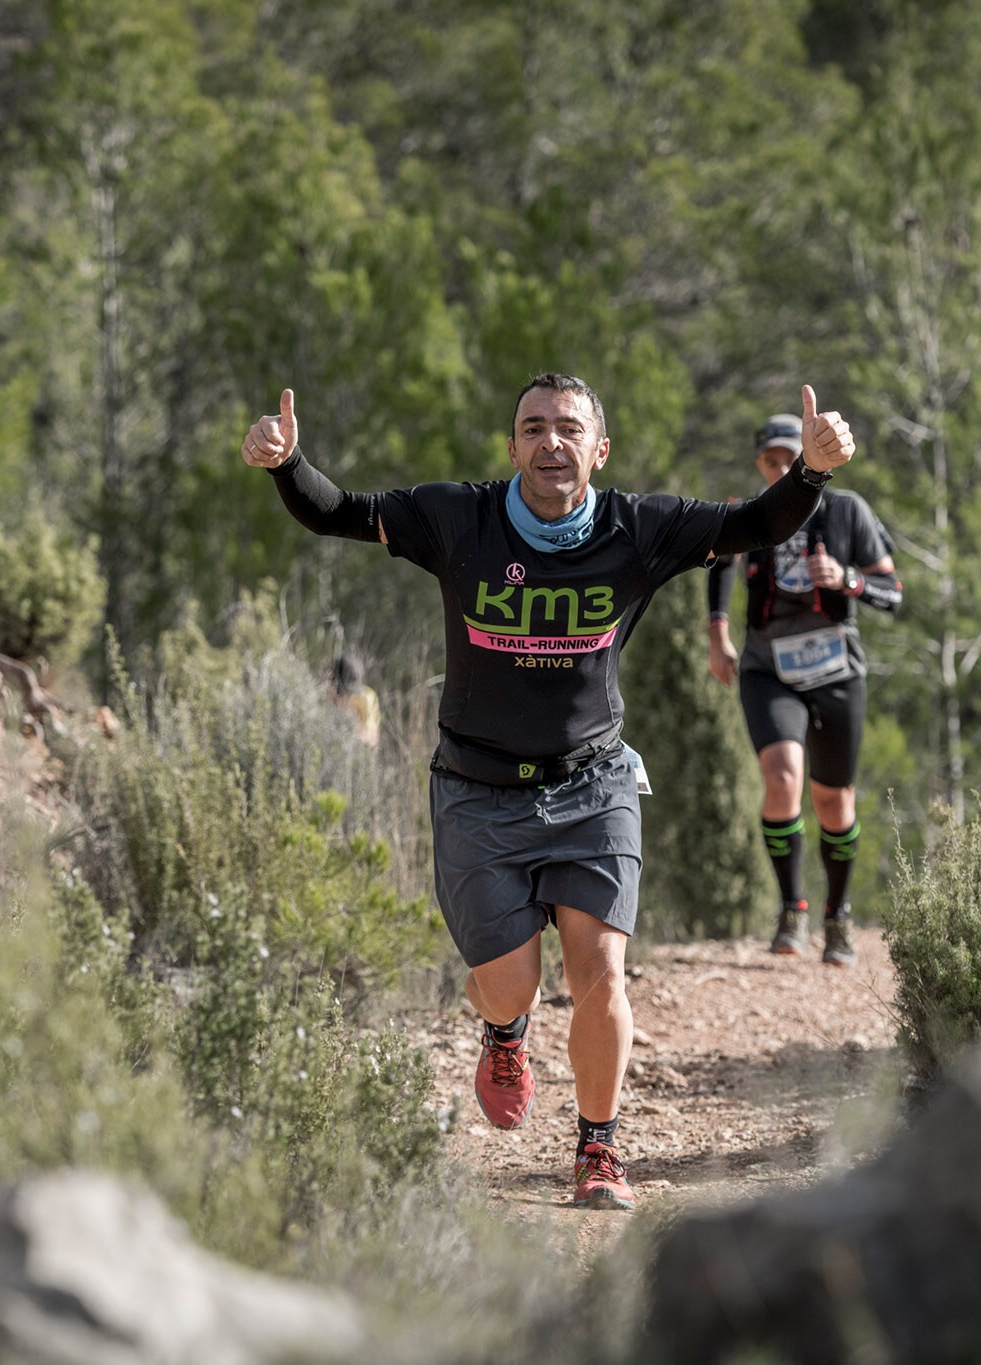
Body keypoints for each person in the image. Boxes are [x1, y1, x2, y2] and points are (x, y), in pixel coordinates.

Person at [242, 375, 857, 1209]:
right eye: (533, 428)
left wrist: (811, 474)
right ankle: (505, 1030)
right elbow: (337, 510)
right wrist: (286, 465)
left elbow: (754, 524)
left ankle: (598, 1148)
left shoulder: (637, 529)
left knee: (602, 969)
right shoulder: (459, 517)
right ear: (512, 448)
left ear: (599, 449)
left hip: (592, 782)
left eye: (568, 429)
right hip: (476, 790)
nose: (550, 443)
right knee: (510, 984)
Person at [706, 412, 901, 968]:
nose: (781, 467)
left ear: (810, 454)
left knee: (833, 801)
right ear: (759, 464)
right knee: (782, 776)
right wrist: (718, 634)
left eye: (791, 456)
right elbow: (719, 558)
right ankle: (792, 907)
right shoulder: (753, 512)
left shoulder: (847, 510)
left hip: (838, 671)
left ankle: (838, 918)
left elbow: (894, 591)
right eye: (770, 460)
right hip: (770, 669)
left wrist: (847, 580)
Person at [330, 652, 381, 747]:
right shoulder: (328, 695)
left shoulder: (367, 698)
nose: (345, 697)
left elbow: (372, 739)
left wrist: (352, 736)